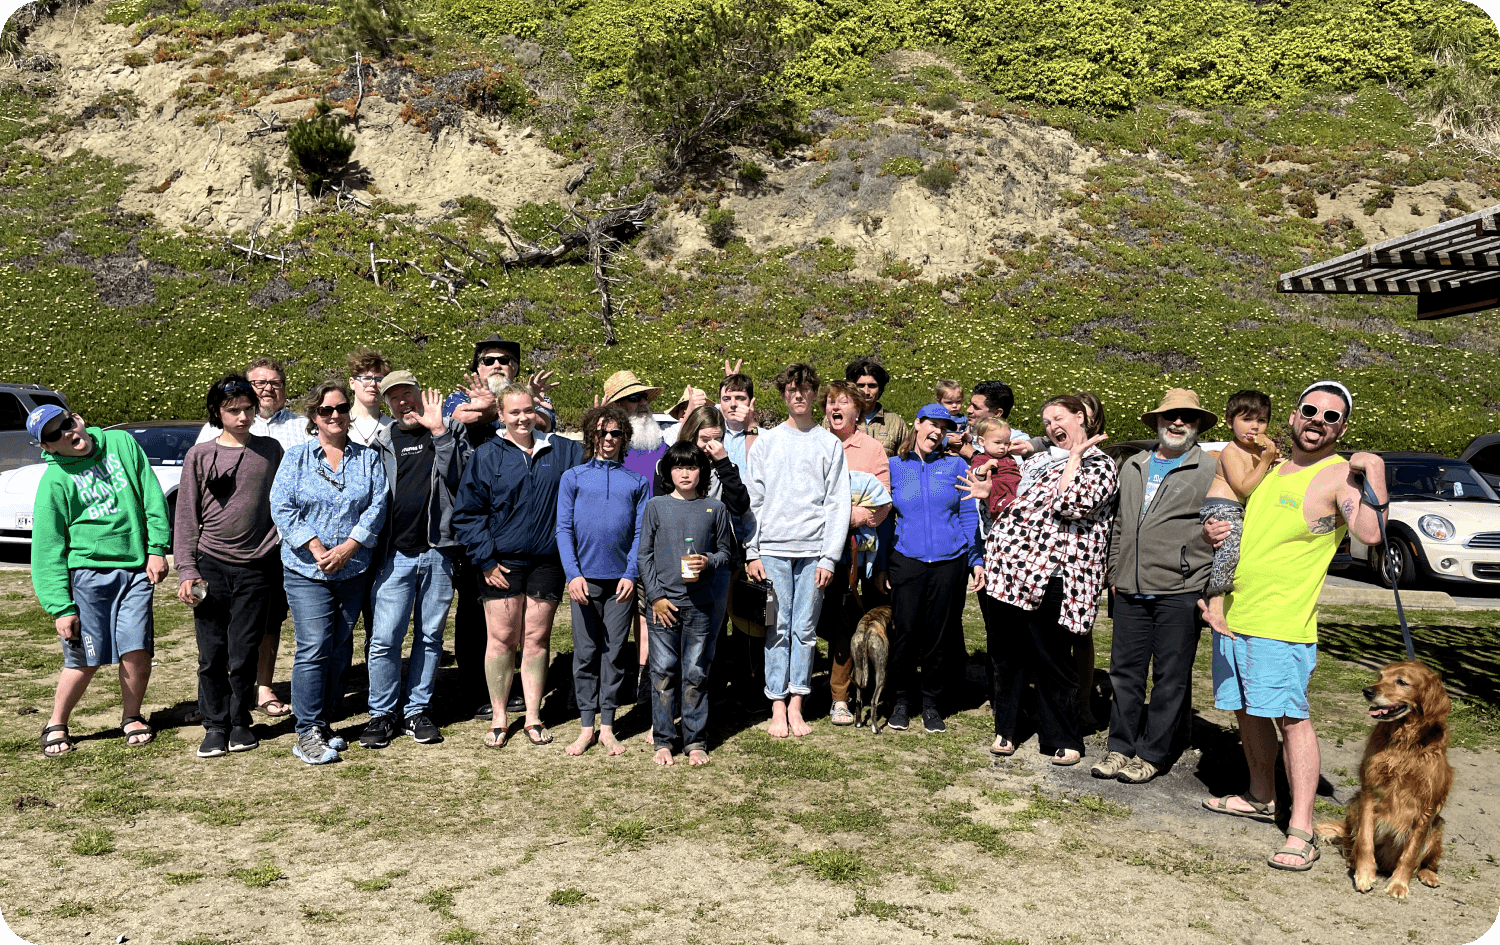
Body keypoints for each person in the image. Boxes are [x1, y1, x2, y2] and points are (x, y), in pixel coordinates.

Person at [1201, 381, 1385, 873]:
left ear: (1341, 428)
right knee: (1246, 709)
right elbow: (1244, 526)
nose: (1318, 421)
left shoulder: (1340, 475)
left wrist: (1376, 471)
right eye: (1310, 410)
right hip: (1235, 613)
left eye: (1331, 416)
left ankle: (1301, 830)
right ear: (1293, 415)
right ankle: (1260, 795)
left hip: (1282, 622)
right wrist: (1213, 530)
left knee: (1291, 719)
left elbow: (1370, 532)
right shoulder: (1272, 467)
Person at [966, 394, 1116, 764]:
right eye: (1046, 422)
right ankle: (1007, 728)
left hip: (1056, 575)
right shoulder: (1039, 461)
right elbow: (1014, 507)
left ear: (1080, 417)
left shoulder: (1100, 464)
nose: (1051, 427)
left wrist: (1075, 459)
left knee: (1052, 657)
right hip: (1009, 573)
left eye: (1058, 418)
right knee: (1008, 656)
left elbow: (1071, 504)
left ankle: (1062, 736)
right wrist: (989, 497)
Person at [1093, 389, 1218, 784]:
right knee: (1124, 674)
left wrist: (1206, 582)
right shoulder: (1134, 464)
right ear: (1158, 422)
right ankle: (1120, 747)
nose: (1178, 423)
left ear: (1197, 425)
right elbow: (1119, 524)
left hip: (1180, 588)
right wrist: (1114, 573)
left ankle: (1152, 753)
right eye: (1170, 416)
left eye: (1187, 417)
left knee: (1170, 676)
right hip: (1129, 587)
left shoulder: (1210, 469)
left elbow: (1222, 527)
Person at [31, 405, 171, 757]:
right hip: (87, 577)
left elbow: (151, 495)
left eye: (67, 423)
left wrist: (157, 548)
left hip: (135, 571)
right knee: (84, 657)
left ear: (77, 418)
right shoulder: (54, 481)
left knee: (136, 649)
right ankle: (56, 722)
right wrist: (60, 607)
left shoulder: (121, 443)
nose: (66, 432)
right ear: (47, 447)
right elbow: (47, 549)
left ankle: (132, 716)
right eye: (54, 434)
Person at [454, 385, 584, 748]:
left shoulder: (564, 451)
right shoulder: (486, 454)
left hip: (547, 561)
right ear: (500, 415)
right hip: (500, 562)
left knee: (536, 639)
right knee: (501, 638)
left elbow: (596, 466)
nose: (523, 418)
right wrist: (485, 560)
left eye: (528, 410)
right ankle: (499, 716)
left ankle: (532, 716)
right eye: (514, 412)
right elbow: (468, 514)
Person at [270, 380, 388, 765]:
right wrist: (317, 548)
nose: (335, 415)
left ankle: (323, 722)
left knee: (339, 645)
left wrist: (350, 546)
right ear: (314, 416)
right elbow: (282, 506)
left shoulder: (367, 458)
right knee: (314, 646)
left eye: (341, 408)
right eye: (326, 410)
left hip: (352, 569)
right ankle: (306, 731)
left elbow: (377, 506)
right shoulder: (297, 458)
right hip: (307, 570)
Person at [443, 334, 558, 723]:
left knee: (524, 622)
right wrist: (494, 409)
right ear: (477, 368)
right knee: (474, 615)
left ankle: (517, 690)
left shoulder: (532, 400)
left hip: (520, 525)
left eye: (505, 360)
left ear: (516, 368)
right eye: (489, 359)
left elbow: (545, 421)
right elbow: (457, 419)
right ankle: (476, 690)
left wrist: (498, 409)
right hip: (472, 523)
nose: (497, 365)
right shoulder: (458, 397)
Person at [174, 376, 284, 758]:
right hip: (210, 566)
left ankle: (240, 723)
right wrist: (187, 570)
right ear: (217, 412)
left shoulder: (270, 450)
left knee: (245, 650)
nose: (242, 417)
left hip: (257, 568)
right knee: (212, 652)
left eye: (248, 409)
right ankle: (215, 725)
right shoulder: (200, 455)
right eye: (233, 410)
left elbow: (283, 502)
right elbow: (186, 516)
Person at [360, 372, 470, 750]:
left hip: (439, 552)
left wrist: (439, 433)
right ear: (387, 404)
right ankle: (381, 713)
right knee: (384, 639)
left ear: (421, 394)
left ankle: (417, 711)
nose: (403, 402)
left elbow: (460, 480)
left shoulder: (450, 429)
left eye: (408, 393)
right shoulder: (382, 441)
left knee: (429, 637)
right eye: (394, 398)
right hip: (394, 555)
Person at [195, 356, 306, 720]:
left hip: (273, 548)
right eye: (259, 383)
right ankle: (218, 702)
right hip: (220, 550)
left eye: (274, 383)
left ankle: (259, 691)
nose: (267, 389)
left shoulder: (297, 430)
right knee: (218, 632)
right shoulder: (210, 436)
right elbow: (196, 494)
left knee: (264, 625)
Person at [745, 363, 851, 738]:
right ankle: (776, 703)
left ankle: (796, 703)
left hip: (813, 552)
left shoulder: (829, 444)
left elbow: (838, 504)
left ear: (814, 393)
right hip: (772, 550)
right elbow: (754, 501)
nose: (798, 395)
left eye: (805, 389)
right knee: (776, 626)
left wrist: (829, 557)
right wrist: (752, 551)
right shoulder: (767, 443)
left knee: (804, 629)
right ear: (784, 395)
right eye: (791, 389)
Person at [556, 404, 649, 756]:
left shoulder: (637, 482)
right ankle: (586, 727)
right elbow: (563, 529)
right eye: (601, 432)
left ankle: (607, 727)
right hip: (584, 582)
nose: (608, 438)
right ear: (590, 436)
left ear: (624, 438)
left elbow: (641, 533)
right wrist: (573, 574)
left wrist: (630, 573)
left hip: (621, 584)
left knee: (614, 654)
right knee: (585, 653)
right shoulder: (573, 478)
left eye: (615, 433)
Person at [882, 404, 980, 733]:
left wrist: (975, 559)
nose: (937, 432)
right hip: (906, 559)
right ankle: (901, 700)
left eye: (943, 427)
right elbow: (884, 517)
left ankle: (931, 702)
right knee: (906, 633)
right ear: (917, 424)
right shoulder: (894, 466)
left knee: (940, 635)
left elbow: (968, 514)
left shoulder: (956, 465)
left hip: (949, 561)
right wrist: (882, 565)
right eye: (932, 424)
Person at [638, 442, 735, 765]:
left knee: (695, 673)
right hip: (663, 606)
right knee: (663, 672)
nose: (684, 473)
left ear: (701, 472)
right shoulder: (656, 506)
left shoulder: (714, 509)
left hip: (700, 606)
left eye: (691, 467)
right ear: (668, 471)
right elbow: (644, 556)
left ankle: (695, 740)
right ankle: (664, 740)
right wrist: (656, 597)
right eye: (678, 467)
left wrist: (707, 561)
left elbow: (726, 553)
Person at [814, 380, 891, 727]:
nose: (835, 407)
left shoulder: (872, 449)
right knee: (818, 620)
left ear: (857, 410)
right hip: (814, 547)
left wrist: (859, 516)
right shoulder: (815, 442)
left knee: (845, 621)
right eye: (831, 402)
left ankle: (840, 697)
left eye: (843, 402)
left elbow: (882, 500)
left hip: (854, 554)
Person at [599, 369, 669, 707]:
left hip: (652, 543)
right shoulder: (609, 448)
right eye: (632, 398)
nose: (642, 404)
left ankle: (643, 681)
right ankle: (598, 683)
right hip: (613, 545)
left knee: (646, 613)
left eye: (643, 397)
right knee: (607, 617)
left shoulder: (662, 445)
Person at [1198, 390, 1280, 636]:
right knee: (1229, 550)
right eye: (1247, 419)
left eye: (1261, 420)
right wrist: (1264, 462)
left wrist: (1271, 461)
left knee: (1237, 552)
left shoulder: (1257, 452)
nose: (1255, 426)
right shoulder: (1231, 451)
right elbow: (1243, 487)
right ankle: (1214, 606)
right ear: (1229, 422)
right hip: (1222, 507)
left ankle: (1211, 597)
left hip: (1236, 508)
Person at [845, 356, 910, 457]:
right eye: (861, 386)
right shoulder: (837, 418)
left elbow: (905, 459)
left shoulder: (895, 423)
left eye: (872, 386)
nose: (866, 392)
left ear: (880, 389)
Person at [346, 348, 394, 447]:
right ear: (352, 383)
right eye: (367, 378)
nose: (373, 384)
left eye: (379, 379)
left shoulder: (393, 427)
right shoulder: (339, 424)